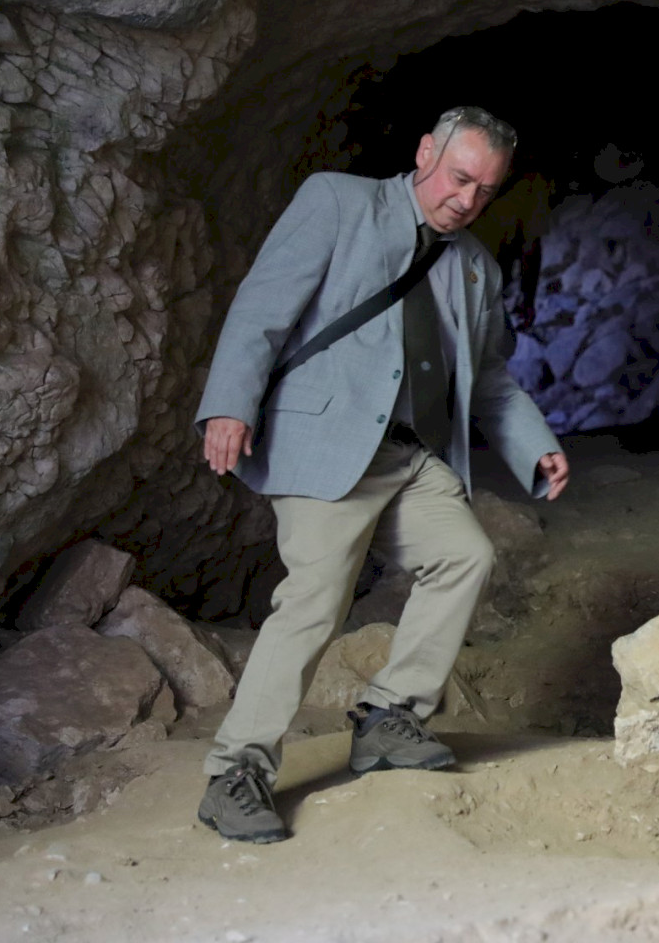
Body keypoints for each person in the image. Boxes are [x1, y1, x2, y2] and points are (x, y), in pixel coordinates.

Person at [192, 106, 570, 843]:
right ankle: (235, 772)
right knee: (315, 600)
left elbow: (490, 377)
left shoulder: (475, 267)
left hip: (406, 454)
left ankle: (388, 716)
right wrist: (230, 404)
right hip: (325, 438)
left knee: (464, 556)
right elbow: (263, 305)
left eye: (484, 190)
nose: (466, 199)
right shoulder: (338, 201)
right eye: (458, 177)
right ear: (425, 152)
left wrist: (534, 444)